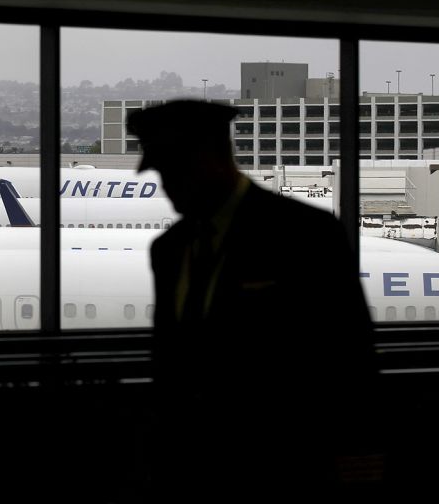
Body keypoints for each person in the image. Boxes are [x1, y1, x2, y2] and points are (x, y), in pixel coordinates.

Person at [127, 99, 375, 495]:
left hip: (283, 467)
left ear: (211, 159)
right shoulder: (169, 249)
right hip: (192, 469)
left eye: (174, 170)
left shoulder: (304, 234)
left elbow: (350, 357)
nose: (167, 186)